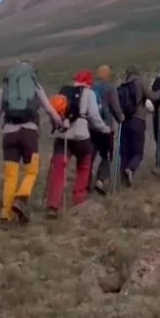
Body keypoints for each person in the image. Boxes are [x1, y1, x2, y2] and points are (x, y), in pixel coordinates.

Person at [0, 60, 56, 225]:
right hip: (29, 133)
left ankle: (5, 214)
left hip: (9, 134)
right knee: (31, 172)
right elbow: (49, 108)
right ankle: (21, 198)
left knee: (10, 176)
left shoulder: (5, 86)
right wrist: (60, 122)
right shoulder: (35, 85)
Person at [45, 71, 109, 215]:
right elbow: (93, 116)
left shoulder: (64, 92)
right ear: (89, 82)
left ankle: (53, 204)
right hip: (82, 137)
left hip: (63, 137)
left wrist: (58, 126)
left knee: (59, 170)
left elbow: (54, 110)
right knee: (84, 166)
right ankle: (79, 199)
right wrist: (104, 129)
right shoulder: (89, 93)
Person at [116, 66, 153, 186]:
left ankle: (122, 181)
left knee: (125, 153)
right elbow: (151, 96)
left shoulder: (122, 86)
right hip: (138, 121)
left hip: (124, 122)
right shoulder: (140, 83)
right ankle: (130, 169)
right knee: (138, 152)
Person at [91, 65, 124, 194]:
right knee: (106, 155)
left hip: (91, 126)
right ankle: (100, 180)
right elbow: (115, 107)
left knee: (90, 155)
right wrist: (120, 117)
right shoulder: (110, 88)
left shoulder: (91, 87)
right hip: (106, 127)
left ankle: (85, 182)